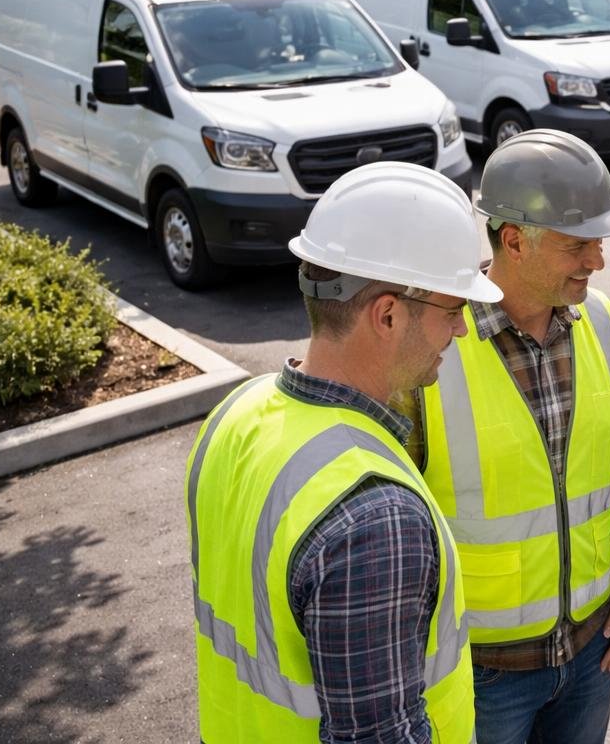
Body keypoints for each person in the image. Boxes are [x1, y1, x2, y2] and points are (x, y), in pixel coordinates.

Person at [186, 161, 501, 743]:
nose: (461, 331)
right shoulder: (375, 517)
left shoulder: (235, 415)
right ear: (387, 313)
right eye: (454, 309)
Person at [417, 129, 610, 744]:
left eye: (598, 243)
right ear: (514, 240)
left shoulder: (604, 322)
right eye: (579, 245)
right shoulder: (434, 346)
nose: (598, 261)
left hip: (590, 654)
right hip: (481, 670)